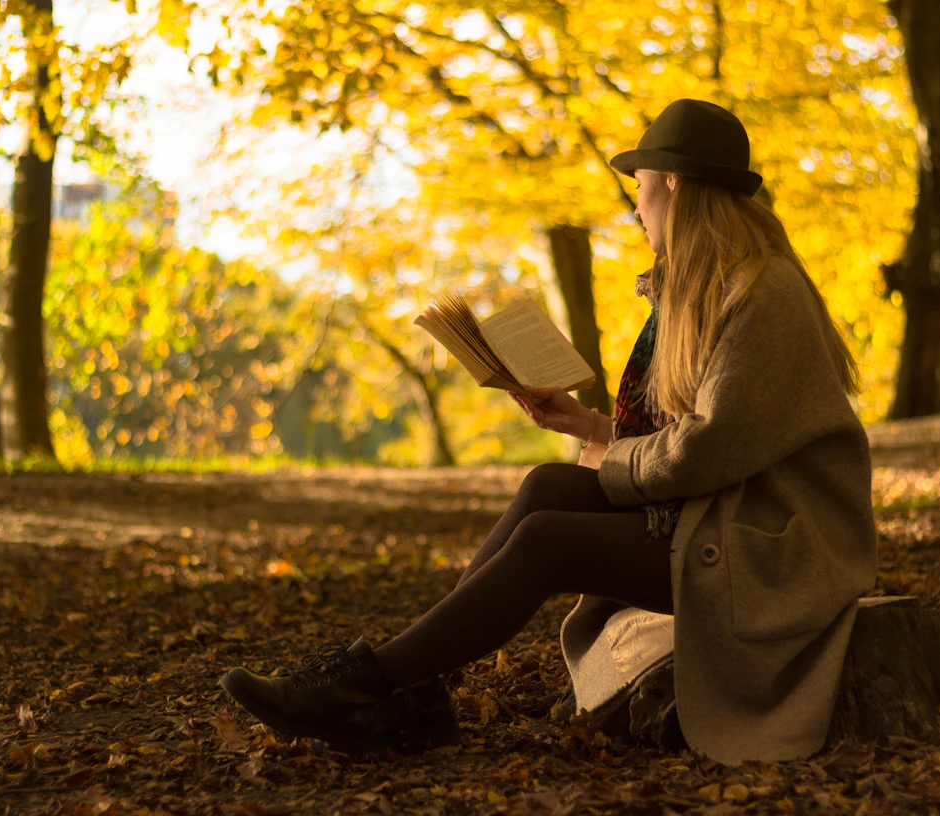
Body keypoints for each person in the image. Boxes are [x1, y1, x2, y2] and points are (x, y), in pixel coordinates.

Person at [220, 99, 878, 764]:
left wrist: (606, 454)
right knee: (545, 486)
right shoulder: (715, 288)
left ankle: (367, 687)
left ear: (673, 184)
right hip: (725, 516)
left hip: (777, 548)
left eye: (642, 192)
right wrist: (588, 426)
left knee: (547, 541)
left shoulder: (763, 294)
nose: (639, 210)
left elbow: (708, 449)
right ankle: (413, 693)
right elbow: (704, 438)